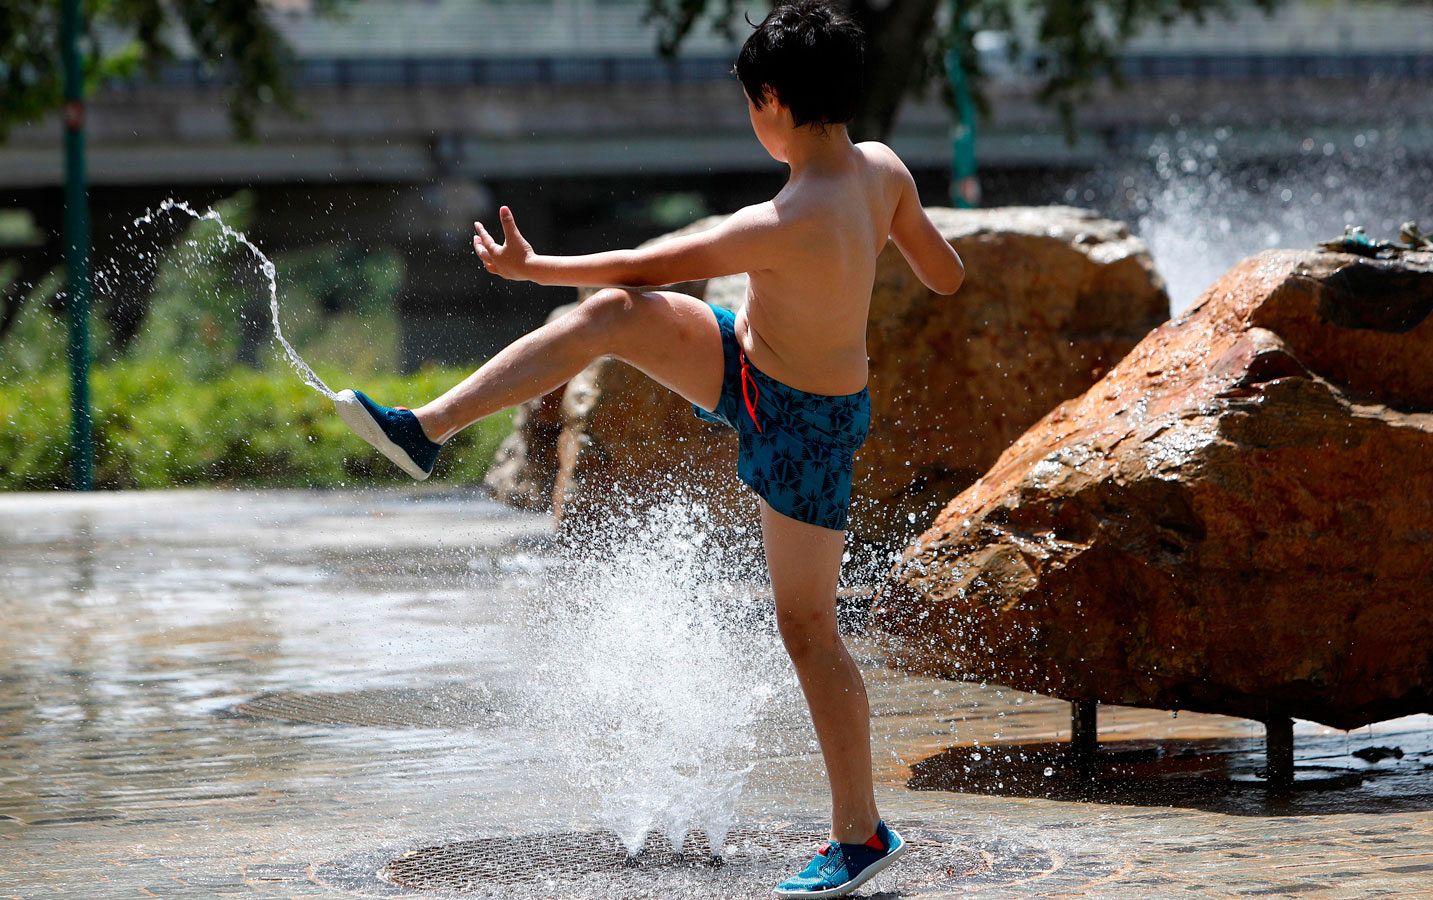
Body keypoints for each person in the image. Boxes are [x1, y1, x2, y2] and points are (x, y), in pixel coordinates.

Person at [332, 1, 963, 894]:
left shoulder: (779, 220)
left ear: (774, 102)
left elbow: (646, 259)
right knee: (614, 318)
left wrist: (532, 269)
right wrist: (889, 243)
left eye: (751, 104)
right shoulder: (884, 170)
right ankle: (425, 428)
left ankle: (861, 835)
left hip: (808, 431)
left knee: (808, 629)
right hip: (744, 364)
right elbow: (946, 274)